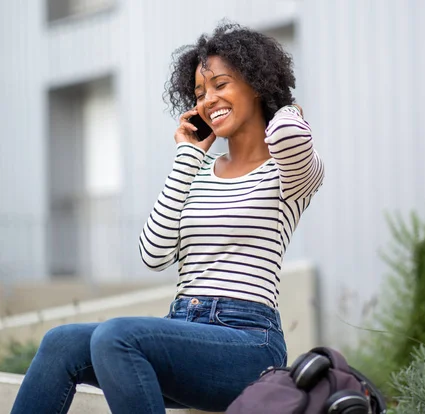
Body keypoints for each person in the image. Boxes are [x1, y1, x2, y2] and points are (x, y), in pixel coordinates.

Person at [11, 22, 324, 414]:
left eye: (221, 85)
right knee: (61, 342)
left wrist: (285, 104)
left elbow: (289, 135)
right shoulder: (198, 171)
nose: (209, 100)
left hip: (247, 344)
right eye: (199, 93)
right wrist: (188, 156)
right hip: (183, 331)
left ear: (257, 83)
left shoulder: (289, 174)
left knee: (116, 335)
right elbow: (153, 253)